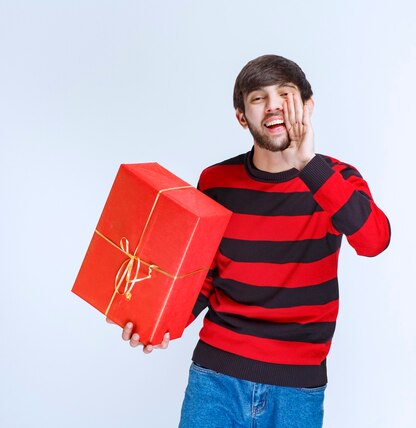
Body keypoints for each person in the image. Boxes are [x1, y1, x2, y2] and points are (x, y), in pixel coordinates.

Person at [116, 54, 391, 427]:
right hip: (215, 376)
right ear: (242, 116)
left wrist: (308, 164)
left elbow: (374, 241)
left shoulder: (335, 178)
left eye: (286, 94)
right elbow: (206, 274)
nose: (273, 104)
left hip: (297, 388)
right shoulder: (216, 181)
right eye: (258, 97)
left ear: (307, 106)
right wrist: (159, 324)